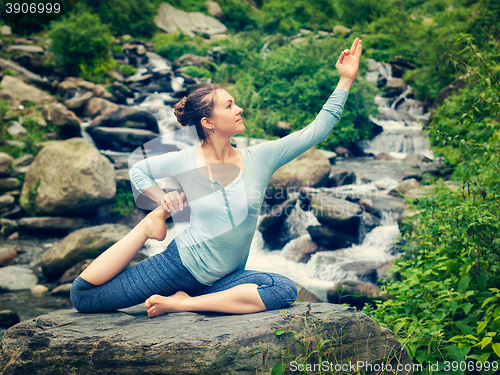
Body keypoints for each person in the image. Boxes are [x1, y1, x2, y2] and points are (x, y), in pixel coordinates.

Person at [70, 38, 362, 318]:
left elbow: (317, 130)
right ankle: (147, 227)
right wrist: (160, 202)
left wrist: (346, 79)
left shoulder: (260, 158)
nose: (239, 109)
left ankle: (184, 304)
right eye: (230, 106)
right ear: (208, 122)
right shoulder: (185, 159)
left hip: (224, 280)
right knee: (84, 297)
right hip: (178, 265)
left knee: (282, 289)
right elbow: (138, 169)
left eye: (235, 103)